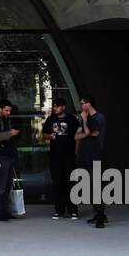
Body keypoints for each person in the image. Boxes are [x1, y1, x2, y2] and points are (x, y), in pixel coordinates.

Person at [76, 97, 108, 228]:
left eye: (82, 103)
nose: (80, 105)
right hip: (87, 155)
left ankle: (100, 214)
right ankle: (98, 213)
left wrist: (84, 120)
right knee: (91, 186)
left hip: (96, 155)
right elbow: (79, 135)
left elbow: (93, 133)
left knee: (96, 185)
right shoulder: (87, 117)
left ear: (88, 104)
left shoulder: (98, 117)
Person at [46, 101, 80, 220]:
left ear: (63, 107)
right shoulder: (50, 119)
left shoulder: (72, 119)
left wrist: (75, 152)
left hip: (69, 156)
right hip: (55, 157)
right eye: (54, 106)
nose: (55, 108)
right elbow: (44, 133)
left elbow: (77, 136)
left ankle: (73, 210)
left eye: (57, 106)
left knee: (70, 182)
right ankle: (59, 210)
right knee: (57, 183)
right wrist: (49, 136)